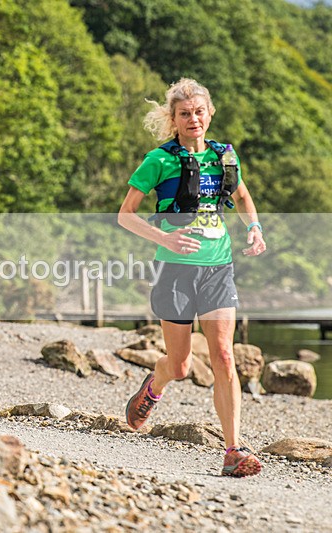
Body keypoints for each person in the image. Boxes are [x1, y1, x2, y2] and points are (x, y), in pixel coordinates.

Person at [117, 79, 267, 477]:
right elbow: (126, 214)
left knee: (223, 356)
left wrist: (254, 228)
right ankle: (154, 385)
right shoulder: (158, 160)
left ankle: (233, 449)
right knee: (181, 365)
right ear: (174, 118)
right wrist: (164, 236)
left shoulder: (225, 157)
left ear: (210, 113)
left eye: (199, 111)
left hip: (218, 267)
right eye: (185, 113)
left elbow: (242, 198)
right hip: (174, 270)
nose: (193, 119)